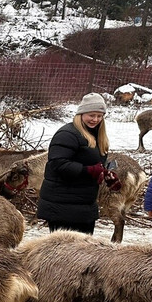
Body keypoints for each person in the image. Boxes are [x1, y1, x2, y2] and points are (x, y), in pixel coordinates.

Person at [36, 92, 120, 235]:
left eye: (99, 116)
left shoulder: (96, 135)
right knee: (65, 248)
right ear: (81, 113)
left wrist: (105, 174)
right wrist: (89, 171)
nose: (95, 119)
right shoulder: (67, 134)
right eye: (91, 115)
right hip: (62, 206)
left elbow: (93, 164)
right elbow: (58, 164)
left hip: (84, 205)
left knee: (85, 248)